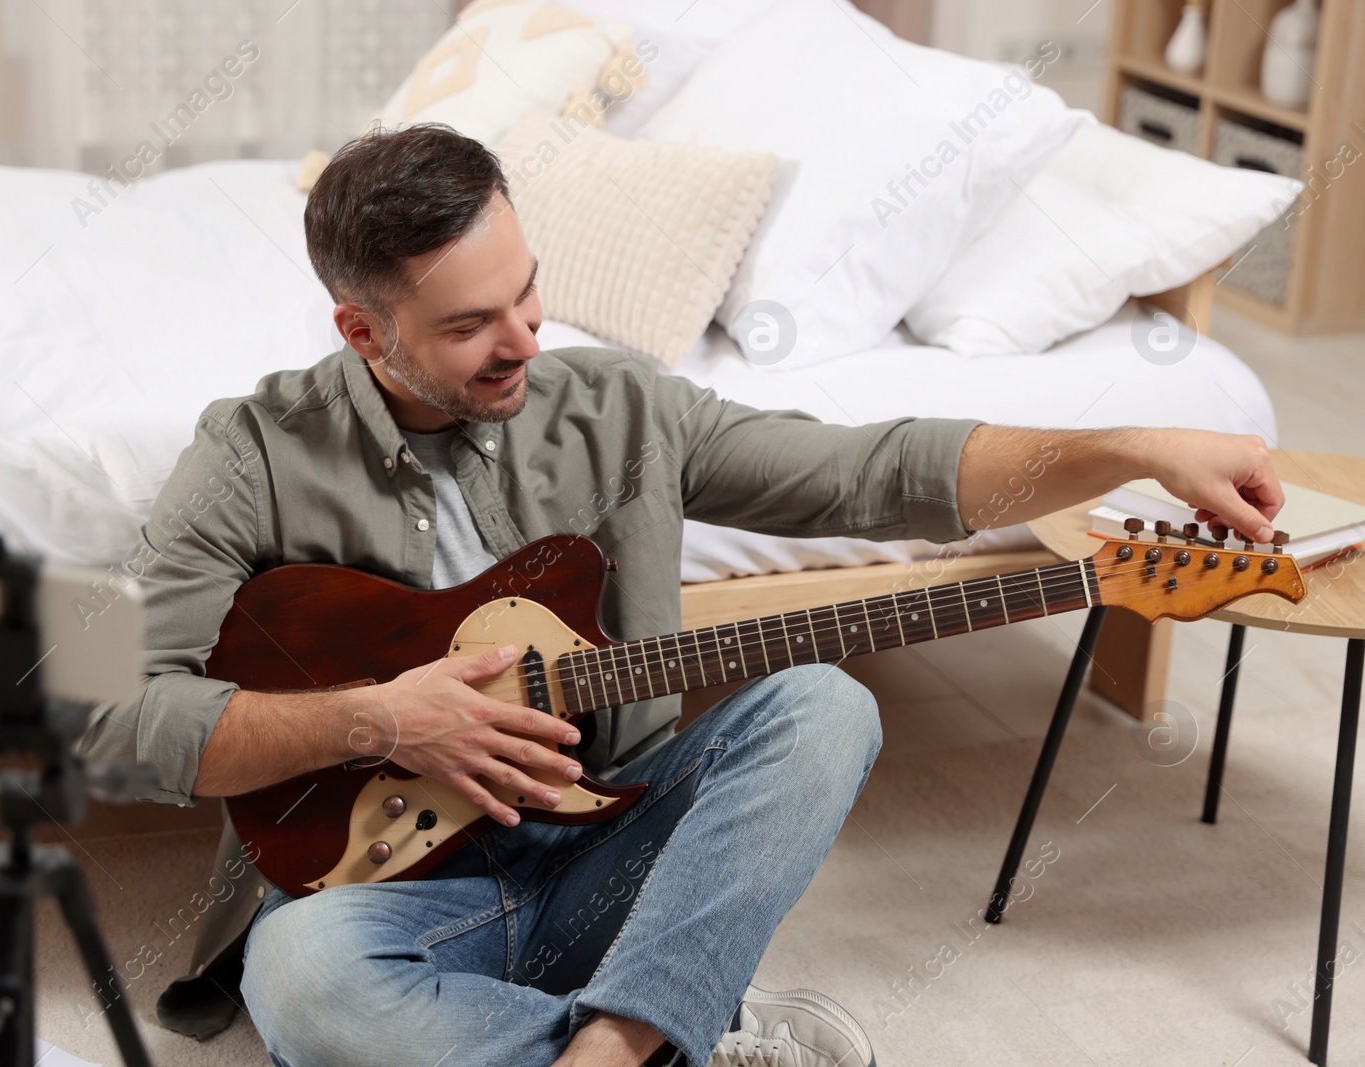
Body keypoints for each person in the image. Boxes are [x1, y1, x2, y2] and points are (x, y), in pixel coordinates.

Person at [79, 123, 1284, 1067]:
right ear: (361, 328)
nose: (523, 341)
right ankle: (677, 1018)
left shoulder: (623, 410)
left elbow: (876, 470)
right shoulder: (248, 451)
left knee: (822, 702)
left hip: (613, 833)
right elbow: (123, 719)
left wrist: (1129, 443)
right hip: (381, 890)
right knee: (303, 991)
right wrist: (385, 718)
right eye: (467, 326)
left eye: (526, 293)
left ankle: (617, 1037)